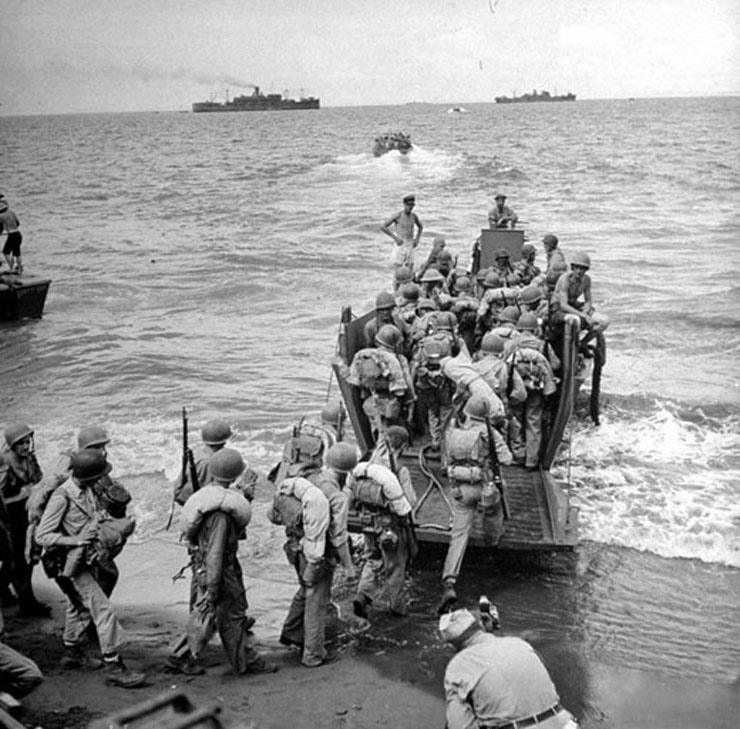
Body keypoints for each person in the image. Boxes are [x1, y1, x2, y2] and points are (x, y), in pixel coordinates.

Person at [34, 449, 146, 688]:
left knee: (80, 607)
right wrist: (74, 540)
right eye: (98, 476)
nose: (101, 480)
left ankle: (72, 652)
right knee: (103, 610)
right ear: (87, 477)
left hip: (86, 558)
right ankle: (114, 665)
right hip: (69, 563)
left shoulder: (86, 491)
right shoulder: (62, 496)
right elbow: (42, 536)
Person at [168, 448, 277, 677]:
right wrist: (214, 586)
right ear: (235, 475)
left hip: (206, 566)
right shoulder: (221, 514)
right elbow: (216, 552)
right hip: (219, 570)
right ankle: (245, 662)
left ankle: (181, 654)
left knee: (206, 613)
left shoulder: (208, 496)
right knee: (231, 615)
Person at [278, 443, 357, 667]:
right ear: (347, 471)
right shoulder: (337, 496)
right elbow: (338, 537)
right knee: (317, 601)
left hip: (295, 547)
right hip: (317, 555)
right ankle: (313, 654)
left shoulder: (308, 479)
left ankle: (291, 633)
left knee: (305, 589)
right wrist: (349, 567)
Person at [440, 608, 578, 729]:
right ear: (480, 626)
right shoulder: (520, 644)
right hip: (566, 724)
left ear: (453, 643)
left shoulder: (457, 666)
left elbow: (460, 726)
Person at [438, 397, 512, 614]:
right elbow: (507, 458)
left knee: (458, 534)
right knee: (493, 512)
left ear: (468, 413)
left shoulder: (453, 432)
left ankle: (449, 581)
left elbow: (445, 462)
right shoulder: (489, 434)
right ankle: (491, 543)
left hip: (460, 488)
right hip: (485, 486)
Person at [349, 460, 415, 619]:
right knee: (395, 566)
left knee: (371, 559)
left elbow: (352, 502)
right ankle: (397, 606)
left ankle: (363, 595)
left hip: (367, 524)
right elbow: (405, 507)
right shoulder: (395, 473)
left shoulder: (361, 475)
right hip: (389, 528)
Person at [0, 424, 50, 616]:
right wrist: (20, 496)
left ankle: (7, 592)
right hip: (6, 519)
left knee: (25, 559)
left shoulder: (29, 458)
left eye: (27, 441)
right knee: (16, 560)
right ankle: (26, 603)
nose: (26, 446)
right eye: (20, 443)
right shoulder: (4, 463)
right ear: (12, 445)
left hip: (26, 516)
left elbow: (39, 480)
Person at [174, 418, 258, 507]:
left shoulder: (194, 459)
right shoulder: (227, 459)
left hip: (192, 502)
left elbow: (178, 489)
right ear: (225, 440)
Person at [381, 194, 423, 274]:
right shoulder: (398, 215)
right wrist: (395, 238)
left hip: (410, 243)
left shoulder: (413, 216)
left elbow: (420, 227)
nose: (410, 207)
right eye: (409, 205)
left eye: (412, 205)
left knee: (410, 266)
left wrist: (417, 239)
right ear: (404, 204)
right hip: (401, 243)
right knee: (397, 267)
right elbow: (383, 227)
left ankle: (410, 282)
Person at [0, 198, 23, 274]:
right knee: (17, 253)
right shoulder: (12, 212)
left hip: (11, 235)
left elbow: (1, 227)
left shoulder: (1, 216)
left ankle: (11, 267)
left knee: (5, 252)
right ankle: (19, 268)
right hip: (18, 234)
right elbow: (17, 223)